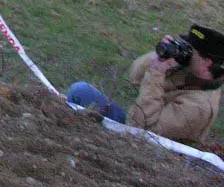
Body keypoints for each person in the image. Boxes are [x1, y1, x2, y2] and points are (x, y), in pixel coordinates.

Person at [66, 24, 224, 145]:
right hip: (135, 125)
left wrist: (156, 74)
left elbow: (142, 129)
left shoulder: (199, 106)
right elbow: (135, 76)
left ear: (206, 64)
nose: (185, 52)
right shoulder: (190, 71)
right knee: (81, 91)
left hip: (146, 148)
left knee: (80, 92)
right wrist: (160, 55)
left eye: (191, 51)